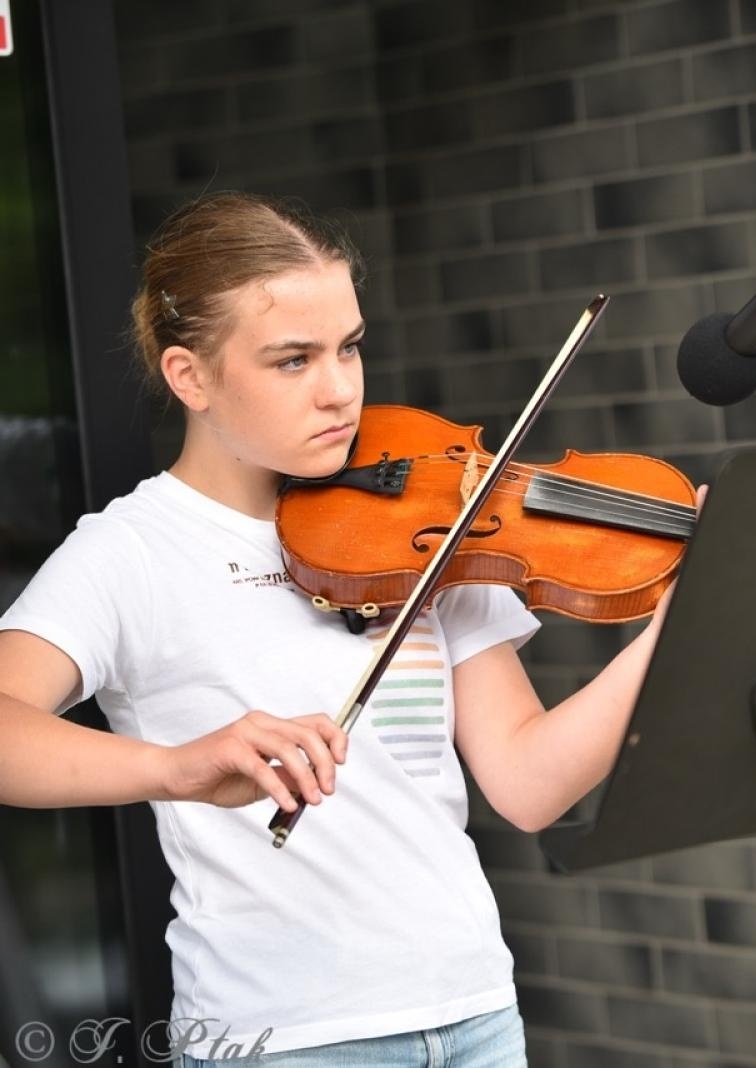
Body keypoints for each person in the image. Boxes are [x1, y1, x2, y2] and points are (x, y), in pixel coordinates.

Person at [0, 192, 692, 1066]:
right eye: (292, 360)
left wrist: (672, 627)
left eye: (349, 347)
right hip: (289, 1042)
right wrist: (173, 767)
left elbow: (528, 784)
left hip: (476, 1017)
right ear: (191, 377)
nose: (340, 390)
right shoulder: (133, 552)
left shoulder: (435, 521)